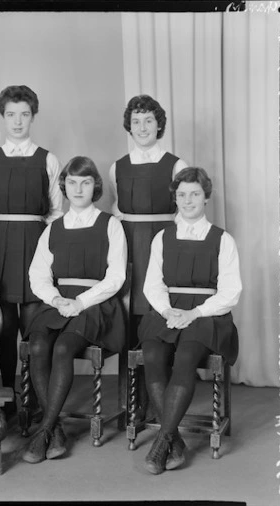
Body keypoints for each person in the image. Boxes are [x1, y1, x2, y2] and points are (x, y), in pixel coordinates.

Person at [23, 157, 127, 463]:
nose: (78, 188)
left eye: (85, 182)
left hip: (96, 303)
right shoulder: (53, 228)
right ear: (64, 187)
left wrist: (81, 302)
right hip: (60, 301)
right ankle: (54, 429)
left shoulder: (111, 225)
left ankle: (43, 432)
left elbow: (116, 277)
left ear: (95, 185)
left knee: (64, 347)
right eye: (72, 182)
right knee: (39, 344)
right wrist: (56, 300)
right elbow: (38, 274)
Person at [138, 167, 241, 475]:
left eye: (194, 193)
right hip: (170, 310)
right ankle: (176, 442)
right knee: (153, 354)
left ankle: (161, 443)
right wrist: (168, 311)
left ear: (206, 197)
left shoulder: (223, 240)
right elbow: (152, 285)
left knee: (185, 357)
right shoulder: (162, 237)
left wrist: (195, 313)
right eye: (181, 195)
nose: (187, 200)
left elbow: (231, 292)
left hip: (207, 314)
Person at [0, 85, 63, 416]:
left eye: (24, 114)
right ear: (3, 117)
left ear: (33, 117)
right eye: (11, 114)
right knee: (6, 324)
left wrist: (49, 250)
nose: (17, 121)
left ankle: (38, 397)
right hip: (1, 244)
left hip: (36, 242)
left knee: (34, 322)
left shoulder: (47, 159)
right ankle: (9, 394)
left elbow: (56, 212)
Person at [108, 94, 188, 342]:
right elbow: (118, 208)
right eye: (136, 122)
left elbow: (185, 212)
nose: (142, 128)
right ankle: (133, 374)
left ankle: (162, 365)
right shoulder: (117, 167)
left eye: (148, 121)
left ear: (159, 124)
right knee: (131, 302)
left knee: (162, 298)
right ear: (129, 127)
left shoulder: (176, 165)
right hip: (130, 242)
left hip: (164, 239)